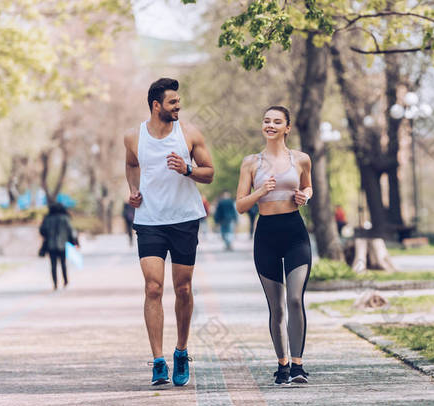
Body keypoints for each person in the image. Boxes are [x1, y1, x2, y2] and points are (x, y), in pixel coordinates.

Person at [124, 77, 214, 386]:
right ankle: (158, 360)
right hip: (149, 219)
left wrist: (188, 169)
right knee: (152, 288)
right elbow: (132, 164)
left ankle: (181, 351)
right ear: (156, 105)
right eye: (173, 102)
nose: (179, 106)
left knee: (183, 289)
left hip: (184, 219)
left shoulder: (188, 134)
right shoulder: (133, 137)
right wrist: (133, 190)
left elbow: (209, 173)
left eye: (178, 101)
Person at [235, 105, 313, 386]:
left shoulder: (301, 159)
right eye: (266, 120)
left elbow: (308, 187)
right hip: (266, 235)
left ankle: (298, 366)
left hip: (295, 233)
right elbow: (241, 205)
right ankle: (281, 365)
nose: (270, 125)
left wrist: (305, 195)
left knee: (295, 299)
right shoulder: (251, 163)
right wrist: (260, 191)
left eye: (276, 121)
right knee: (277, 307)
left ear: (287, 128)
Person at [39, 203, 78, 290]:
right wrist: (75, 242)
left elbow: (42, 231)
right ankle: (65, 281)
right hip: (62, 245)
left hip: (51, 245)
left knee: (53, 265)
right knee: (63, 263)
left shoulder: (48, 219)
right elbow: (71, 231)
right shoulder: (65, 218)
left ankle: (55, 283)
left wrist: (48, 236)